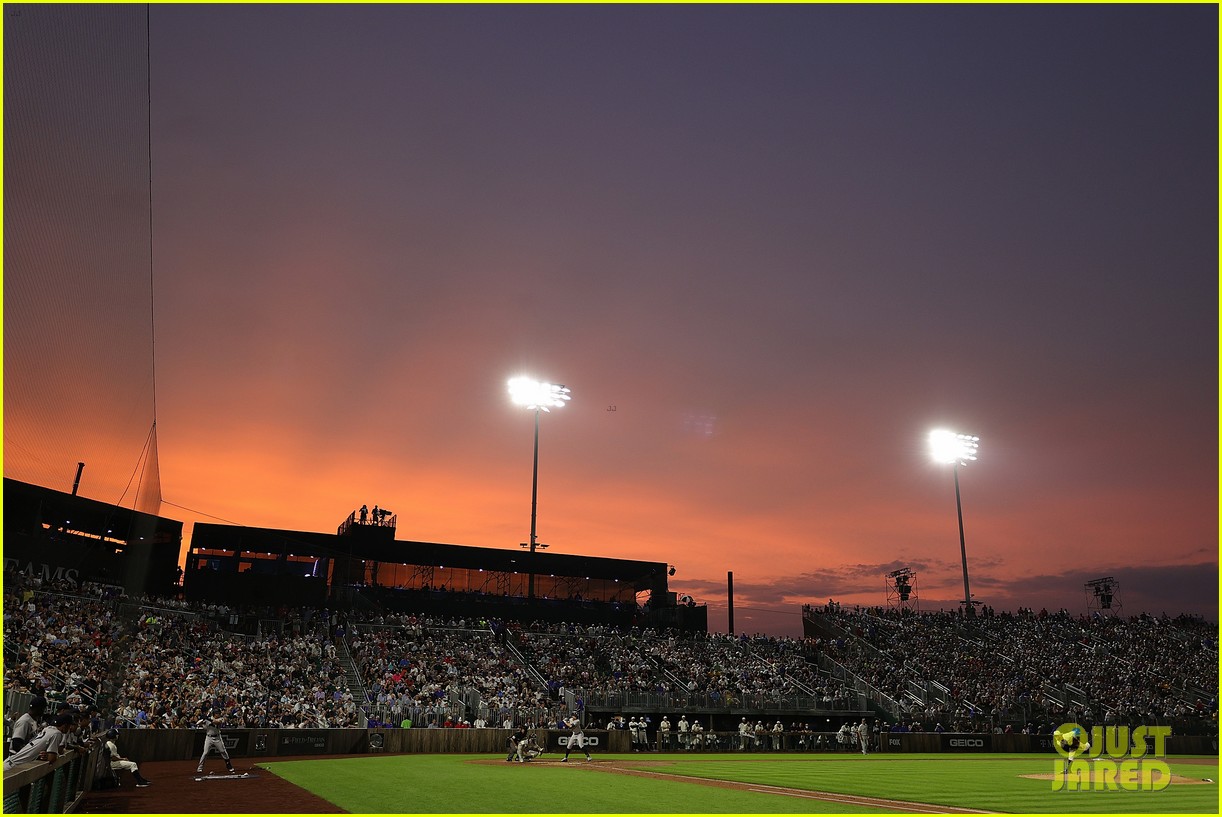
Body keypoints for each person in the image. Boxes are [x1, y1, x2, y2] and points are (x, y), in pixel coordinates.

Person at [4, 713, 71, 770]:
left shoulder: (48, 729)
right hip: (13, 767)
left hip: (11, 762)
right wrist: (52, 756)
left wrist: (46, 755)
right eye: (69, 726)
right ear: (64, 726)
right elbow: (51, 758)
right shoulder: (57, 733)